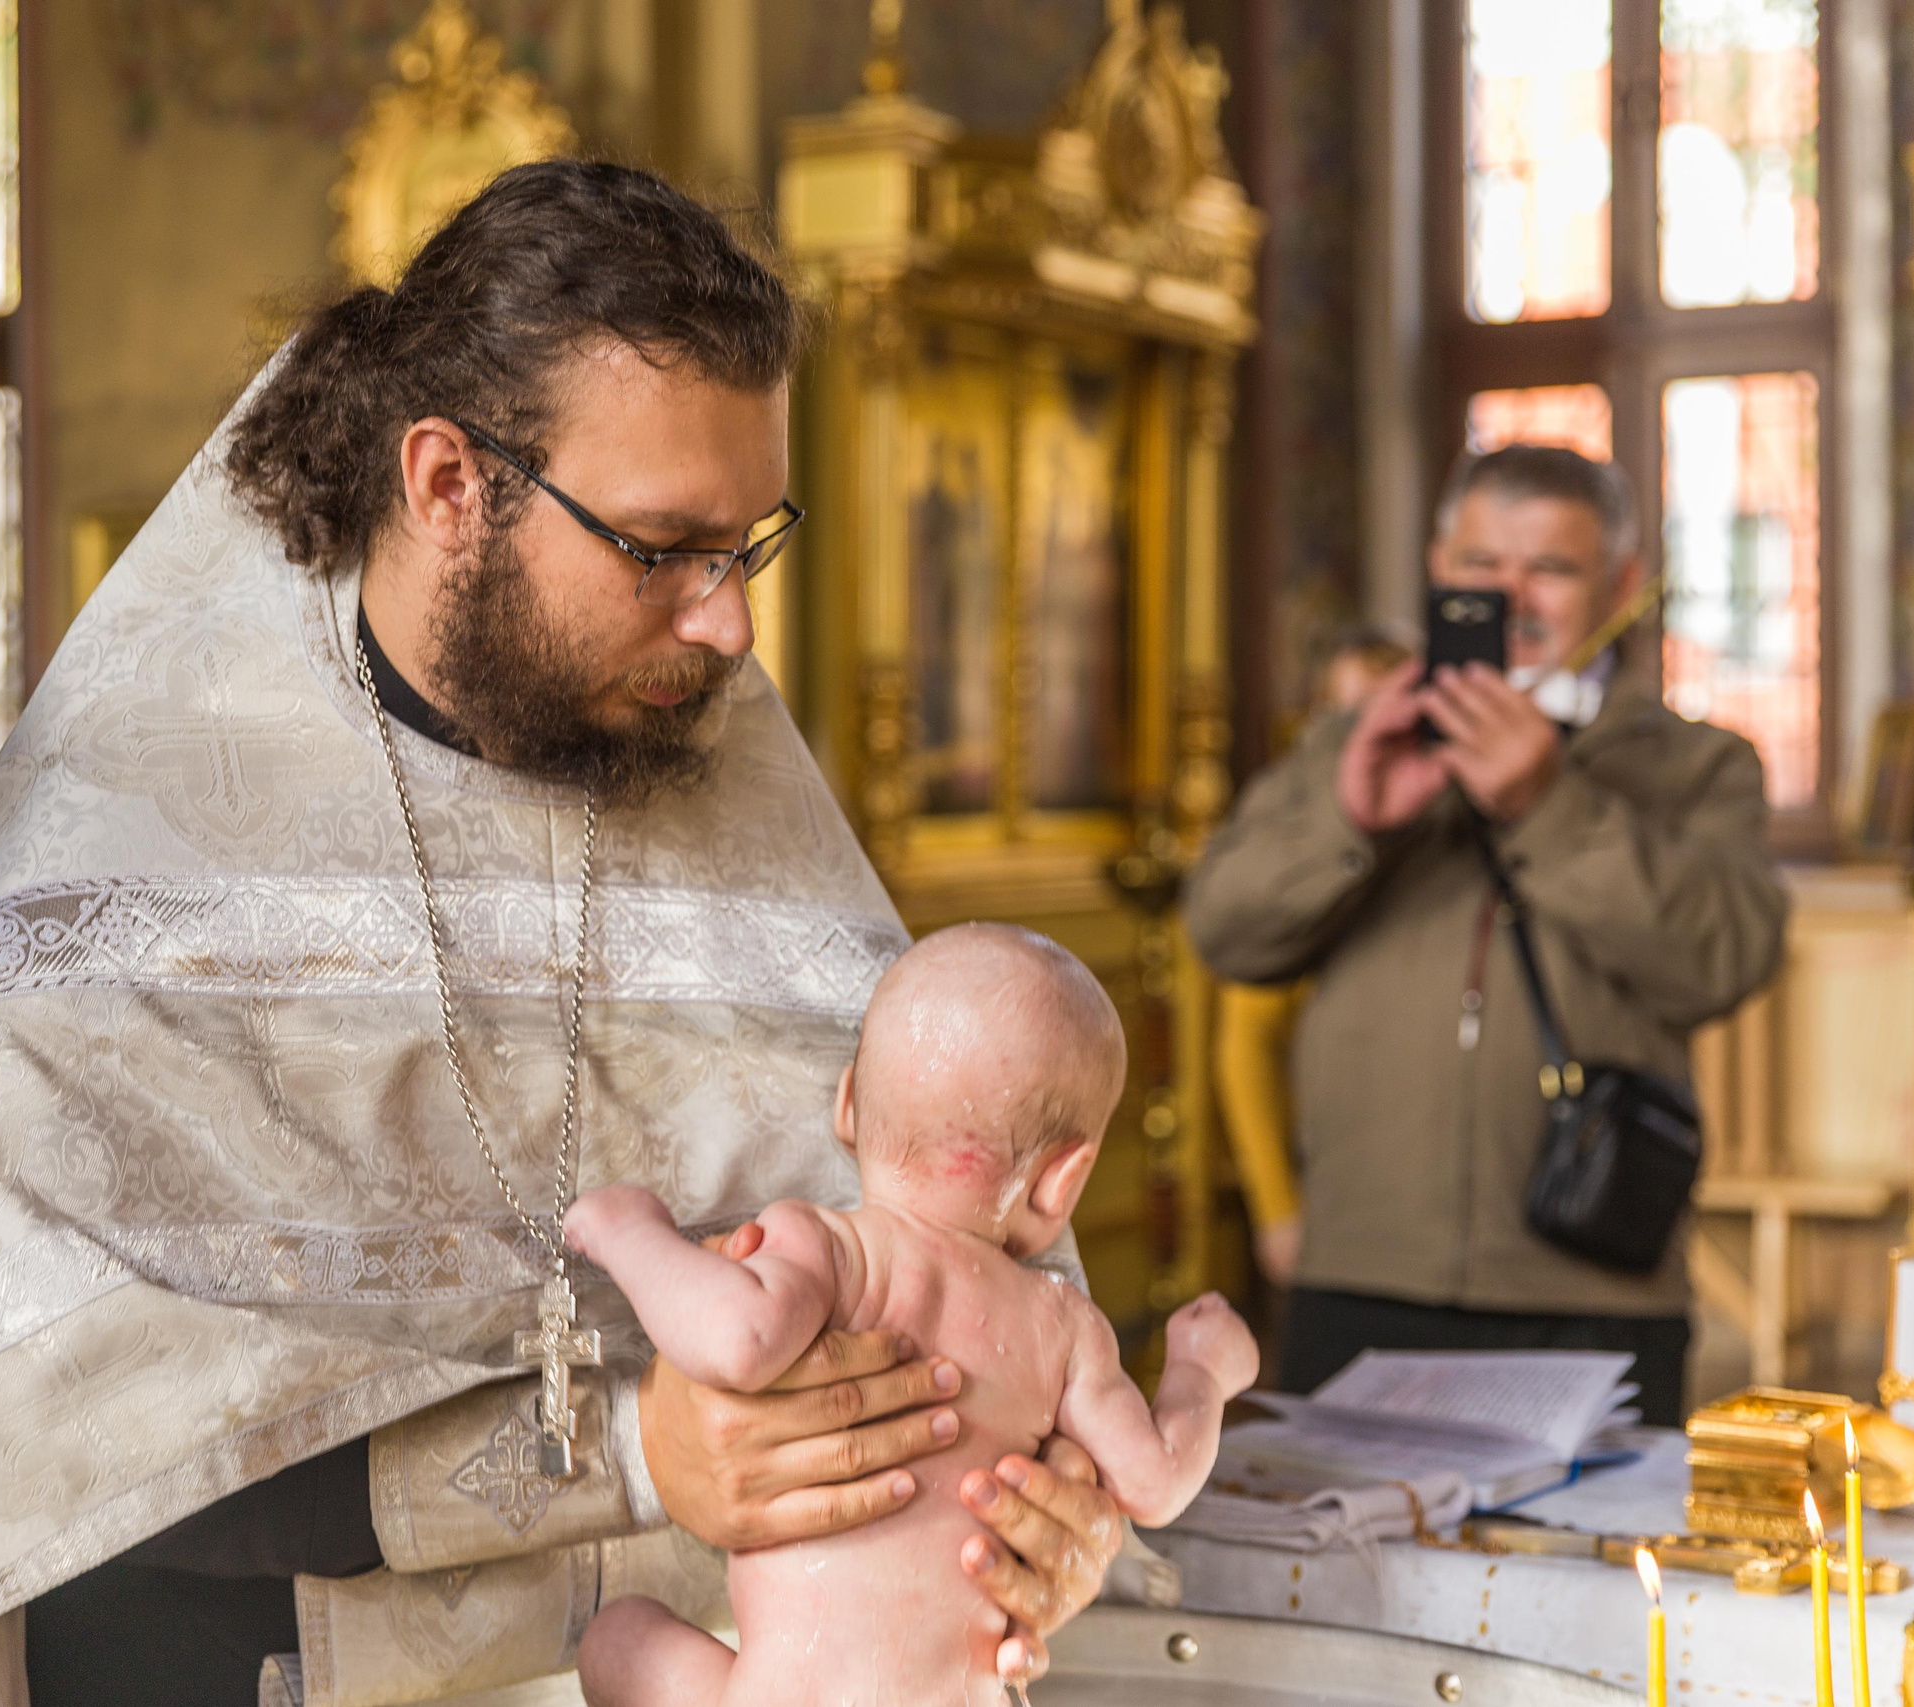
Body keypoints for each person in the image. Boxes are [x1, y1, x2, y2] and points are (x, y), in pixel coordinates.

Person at [0, 164, 1122, 1707]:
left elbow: (966, 1269)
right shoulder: (136, 837)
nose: (729, 624)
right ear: (448, 484)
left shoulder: (720, 783)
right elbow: (22, 1444)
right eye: (662, 548)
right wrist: (629, 1452)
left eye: (746, 546)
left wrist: (1037, 1508)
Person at [1184, 445, 1788, 1426]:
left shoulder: (1695, 766)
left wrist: (1549, 804)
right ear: (1437, 568)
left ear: (1621, 585)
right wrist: (1350, 819)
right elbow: (1224, 930)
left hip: (1592, 1283)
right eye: (1480, 565)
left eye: (1551, 568)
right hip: (1364, 1272)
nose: (1511, 597)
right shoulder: (1348, 742)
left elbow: (1723, 960)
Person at [565, 925, 1256, 1707]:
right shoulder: (1064, 1326)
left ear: (847, 1105)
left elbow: (735, 1340)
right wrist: (1202, 1369)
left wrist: (633, 1234)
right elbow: (1154, 1483)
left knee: (617, 1637)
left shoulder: (829, 1249)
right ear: (1064, 1178)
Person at [1213, 624, 1416, 1288]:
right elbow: (1247, 1047)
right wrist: (1278, 1210)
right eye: (1351, 714)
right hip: (1333, 1187)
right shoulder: (1298, 853)